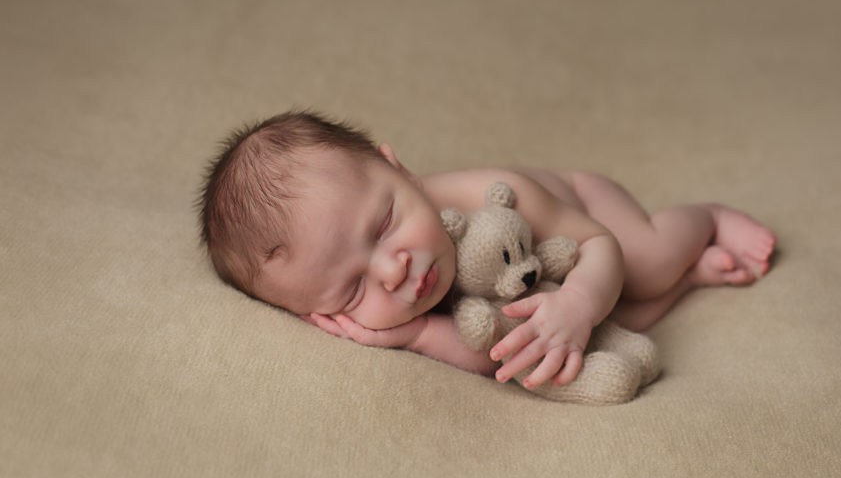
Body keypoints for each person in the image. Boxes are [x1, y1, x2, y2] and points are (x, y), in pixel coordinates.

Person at [199, 111, 776, 390]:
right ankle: (695, 279)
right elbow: (500, 353)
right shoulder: (404, 304)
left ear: (397, 169)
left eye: (384, 225)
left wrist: (576, 303)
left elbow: (600, 248)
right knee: (601, 329)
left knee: (643, 269)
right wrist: (420, 334)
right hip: (544, 294)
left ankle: (704, 220)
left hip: (586, 220)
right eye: (352, 290)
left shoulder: (495, 195)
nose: (393, 269)